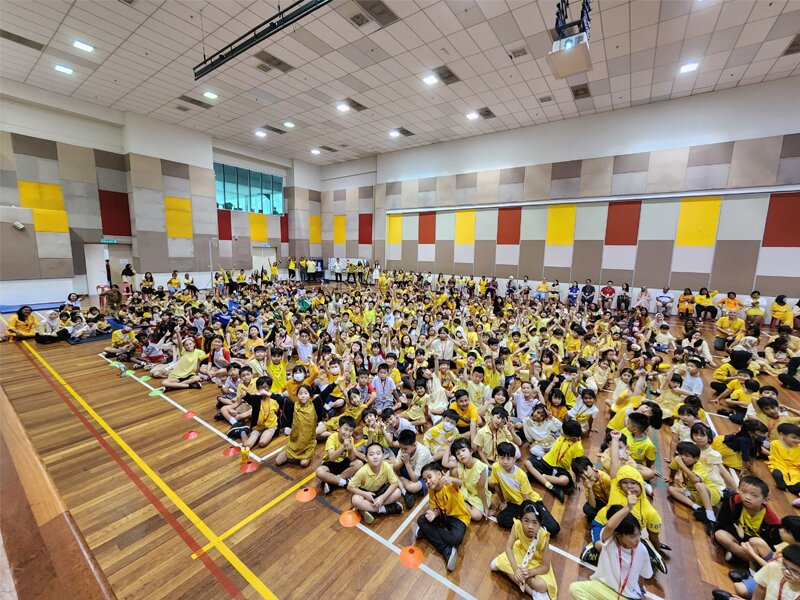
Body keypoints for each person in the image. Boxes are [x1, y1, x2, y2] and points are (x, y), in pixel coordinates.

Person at [570, 502, 654, 600]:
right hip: (604, 588)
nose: (638, 540)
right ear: (618, 535)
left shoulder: (642, 549)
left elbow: (642, 575)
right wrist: (628, 507)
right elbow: (610, 526)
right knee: (575, 589)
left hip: (626, 596)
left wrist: (640, 594)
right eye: (632, 536)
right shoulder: (610, 541)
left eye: (639, 534)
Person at [490, 500, 558, 600]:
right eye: (526, 521)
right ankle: (532, 593)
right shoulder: (517, 525)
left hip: (537, 561)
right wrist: (516, 569)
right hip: (520, 552)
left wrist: (530, 572)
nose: (530, 526)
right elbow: (508, 548)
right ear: (520, 519)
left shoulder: (543, 537)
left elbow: (546, 567)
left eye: (534, 522)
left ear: (540, 523)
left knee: (541, 586)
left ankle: (506, 568)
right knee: (493, 565)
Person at [411, 461, 471, 571]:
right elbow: (436, 507)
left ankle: (427, 533)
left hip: (459, 518)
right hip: (443, 515)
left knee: (456, 539)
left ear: (439, 474)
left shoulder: (448, 484)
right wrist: (434, 513)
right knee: (421, 520)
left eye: (429, 477)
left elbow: (459, 483)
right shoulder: (431, 490)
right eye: (425, 480)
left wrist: (452, 479)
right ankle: (446, 550)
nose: (428, 481)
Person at [713, 475, 782, 564]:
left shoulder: (772, 521)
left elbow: (771, 547)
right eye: (743, 491)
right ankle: (747, 560)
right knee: (720, 534)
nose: (747, 497)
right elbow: (722, 523)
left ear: (765, 500)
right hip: (738, 540)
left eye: (754, 495)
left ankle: (740, 558)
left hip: (756, 547)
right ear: (738, 489)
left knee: (756, 542)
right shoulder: (732, 500)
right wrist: (741, 538)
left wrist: (744, 536)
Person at [347, 442, 403, 524]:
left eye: (378, 453)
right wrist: (365, 494)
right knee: (356, 500)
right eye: (371, 454)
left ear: (383, 456)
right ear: (366, 458)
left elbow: (394, 483)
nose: (375, 457)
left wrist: (382, 498)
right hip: (366, 493)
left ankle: (370, 510)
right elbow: (350, 487)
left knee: (397, 492)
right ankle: (387, 509)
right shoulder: (362, 471)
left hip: (381, 491)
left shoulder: (386, 466)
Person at [315, 415, 365, 495]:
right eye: (345, 429)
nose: (347, 433)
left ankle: (333, 481)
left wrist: (351, 449)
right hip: (331, 463)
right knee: (319, 471)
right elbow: (332, 458)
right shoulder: (332, 438)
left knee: (359, 463)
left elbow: (352, 459)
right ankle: (344, 483)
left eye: (351, 431)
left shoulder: (351, 439)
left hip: (343, 463)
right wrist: (343, 446)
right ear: (338, 428)